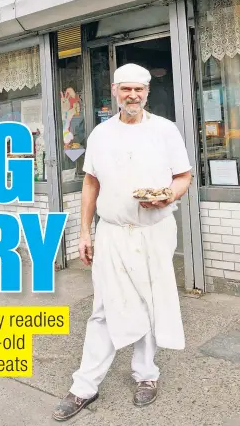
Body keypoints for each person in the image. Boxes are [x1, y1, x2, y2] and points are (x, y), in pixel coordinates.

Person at [52, 63, 192, 421]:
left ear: (147, 93)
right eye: (126, 89)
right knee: (102, 307)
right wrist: (85, 231)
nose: (132, 96)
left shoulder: (165, 130)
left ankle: (146, 376)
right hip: (112, 231)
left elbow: (183, 176)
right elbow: (90, 184)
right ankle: (84, 386)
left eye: (139, 90)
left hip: (154, 230)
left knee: (149, 302)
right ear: (115, 90)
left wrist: (168, 196)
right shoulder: (100, 134)